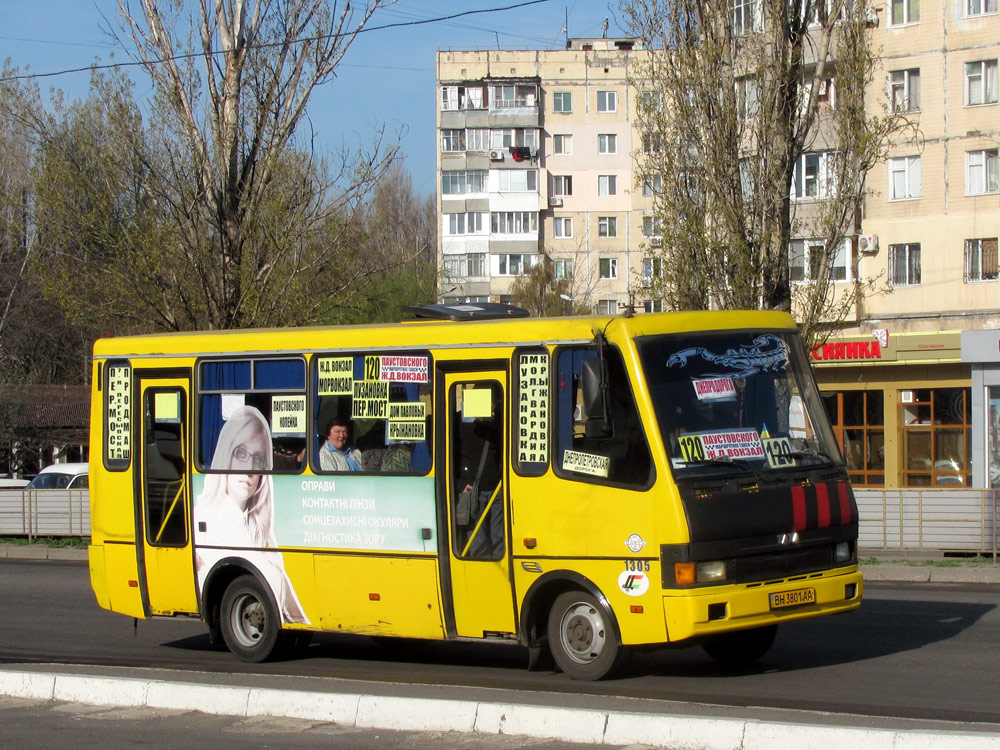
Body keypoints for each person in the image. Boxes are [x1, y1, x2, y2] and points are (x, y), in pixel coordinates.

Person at [194, 405, 308, 624]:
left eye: (257, 460)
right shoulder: (204, 521)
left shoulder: (260, 530)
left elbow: (297, 612)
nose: (249, 469)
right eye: (241, 454)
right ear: (226, 455)